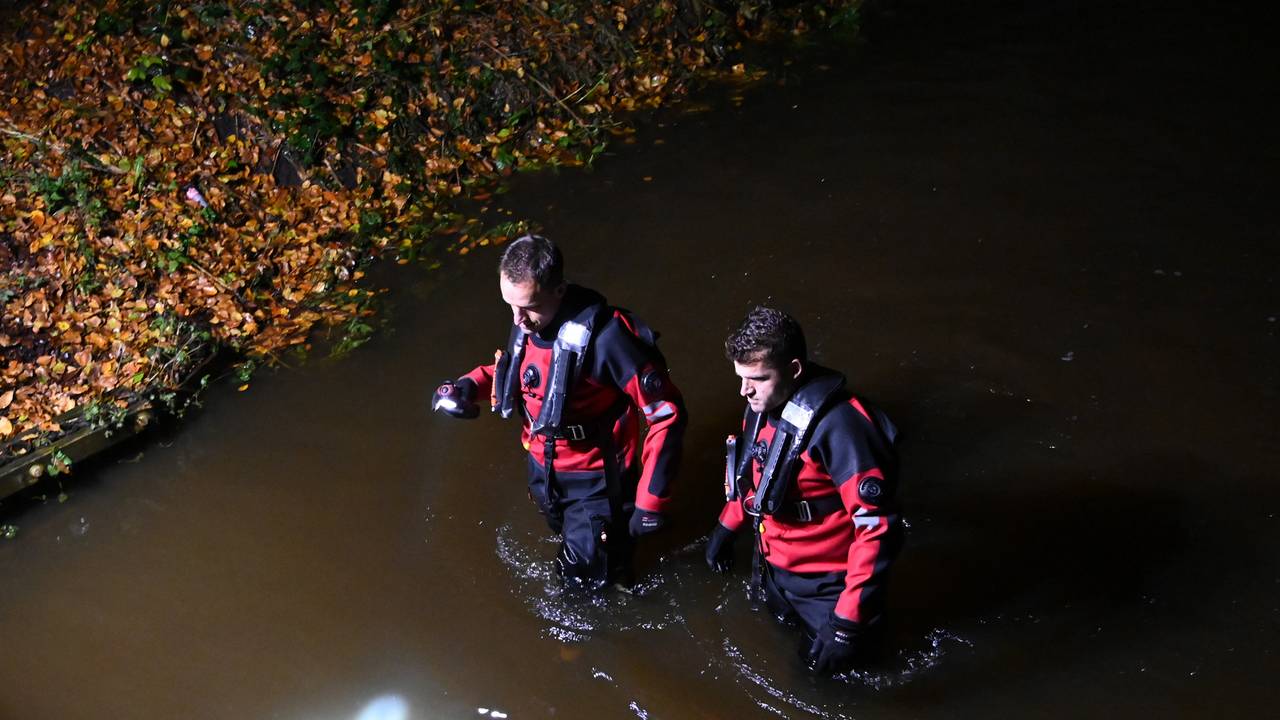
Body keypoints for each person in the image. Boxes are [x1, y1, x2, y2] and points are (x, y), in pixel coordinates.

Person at [432, 235, 687, 589]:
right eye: (510, 305)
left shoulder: (607, 339)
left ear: (559, 290)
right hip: (545, 468)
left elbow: (666, 413)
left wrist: (651, 500)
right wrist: (469, 386)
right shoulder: (528, 319)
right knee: (588, 555)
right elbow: (522, 374)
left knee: (580, 580)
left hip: (598, 479)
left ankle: (591, 629)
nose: (518, 319)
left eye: (528, 306)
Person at [705, 306, 902, 674]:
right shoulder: (761, 403)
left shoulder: (842, 426)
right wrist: (726, 525)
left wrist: (846, 621)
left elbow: (877, 527)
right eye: (741, 377)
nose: (744, 390)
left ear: (794, 370)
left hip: (830, 586)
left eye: (757, 378)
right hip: (776, 568)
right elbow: (756, 472)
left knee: (828, 684)